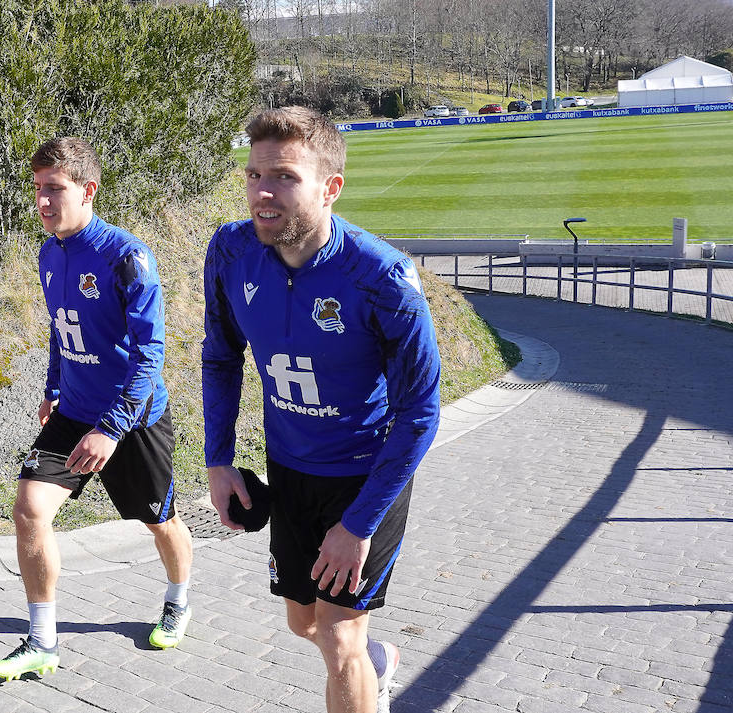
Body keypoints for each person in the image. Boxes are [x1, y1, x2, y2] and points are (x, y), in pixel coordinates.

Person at [200, 106, 441, 713]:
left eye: (283, 177)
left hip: (365, 477)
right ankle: (375, 663)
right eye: (254, 175)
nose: (262, 192)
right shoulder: (230, 252)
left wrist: (357, 525)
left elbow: (419, 412)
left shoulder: (381, 277)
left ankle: (361, 669)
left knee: (337, 636)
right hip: (290, 471)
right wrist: (219, 459)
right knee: (304, 625)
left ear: (331, 187)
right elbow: (221, 357)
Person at [0, 137, 195, 682]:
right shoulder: (49, 253)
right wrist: (54, 386)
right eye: (37, 190)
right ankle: (42, 641)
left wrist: (112, 428)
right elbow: (61, 331)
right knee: (29, 509)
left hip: (132, 420)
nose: (44, 202)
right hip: (74, 412)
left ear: (88, 189)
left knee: (160, 521)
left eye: (55, 189)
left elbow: (149, 357)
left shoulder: (126, 257)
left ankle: (178, 598)